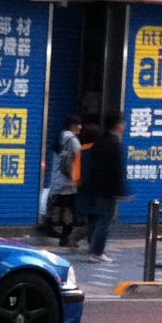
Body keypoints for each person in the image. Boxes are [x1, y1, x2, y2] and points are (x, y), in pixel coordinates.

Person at [86, 113, 127, 264]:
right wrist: (120, 191)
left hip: (99, 188)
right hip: (108, 190)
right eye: (122, 123)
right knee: (106, 219)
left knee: (102, 219)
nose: (124, 126)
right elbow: (116, 170)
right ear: (117, 124)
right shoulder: (114, 142)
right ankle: (97, 252)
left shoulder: (100, 141)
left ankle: (94, 249)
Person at [47, 115, 83, 247]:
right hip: (68, 182)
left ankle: (58, 233)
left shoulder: (60, 136)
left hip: (57, 180)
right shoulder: (72, 140)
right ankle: (66, 238)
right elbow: (80, 157)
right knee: (69, 211)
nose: (81, 127)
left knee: (59, 209)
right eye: (79, 124)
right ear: (74, 125)